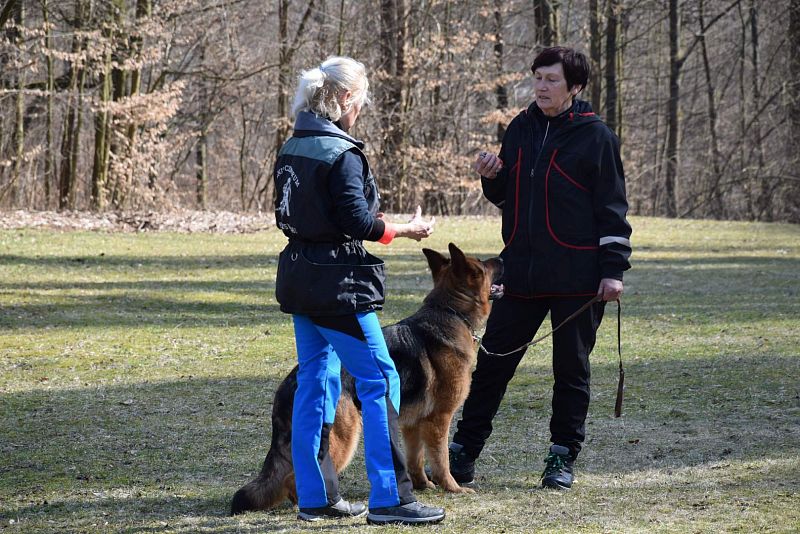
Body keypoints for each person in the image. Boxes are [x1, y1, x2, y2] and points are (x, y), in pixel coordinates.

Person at [448, 46, 632, 490]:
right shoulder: (519, 129)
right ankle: (462, 452)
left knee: (571, 371)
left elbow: (613, 211)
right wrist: (492, 176)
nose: (542, 87)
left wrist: (613, 271)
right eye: (538, 78)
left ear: (575, 87)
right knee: (492, 365)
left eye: (552, 79)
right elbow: (508, 197)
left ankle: (561, 457)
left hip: (579, 279)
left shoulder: (596, 137)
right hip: (521, 273)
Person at [273, 56, 445, 525]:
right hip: (339, 286)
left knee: (316, 382)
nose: (361, 109)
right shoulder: (341, 152)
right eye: (361, 99)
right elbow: (355, 220)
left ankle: (316, 496)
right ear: (347, 98)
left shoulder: (294, 146)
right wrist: (401, 230)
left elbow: (285, 214)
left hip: (300, 279)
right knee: (381, 380)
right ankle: (392, 498)